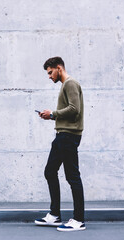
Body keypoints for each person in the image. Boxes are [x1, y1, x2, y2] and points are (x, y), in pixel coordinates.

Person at [34, 57, 85, 231]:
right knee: (50, 171)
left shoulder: (70, 83)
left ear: (59, 68)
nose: (49, 76)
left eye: (50, 72)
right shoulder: (65, 85)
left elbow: (74, 109)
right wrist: (51, 116)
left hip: (68, 136)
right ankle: (54, 215)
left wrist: (53, 114)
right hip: (62, 135)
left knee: (72, 177)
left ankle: (78, 219)